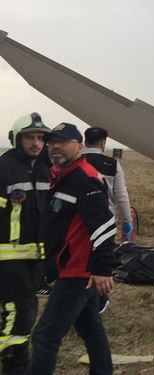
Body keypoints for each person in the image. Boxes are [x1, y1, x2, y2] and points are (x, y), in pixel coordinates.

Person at [27, 123, 116, 375]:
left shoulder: (84, 178)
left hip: (77, 271)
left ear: (79, 146)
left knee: (45, 337)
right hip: (71, 268)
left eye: (63, 141)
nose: (55, 146)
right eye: (52, 141)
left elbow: (105, 224)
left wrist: (102, 269)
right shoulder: (62, 175)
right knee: (91, 329)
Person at [0, 113, 50, 375]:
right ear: (16, 139)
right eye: (29, 137)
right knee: (17, 310)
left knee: (27, 307)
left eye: (41, 138)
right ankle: (15, 364)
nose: (35, 143)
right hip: (7, 255)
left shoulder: (46, 169)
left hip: (36, 255)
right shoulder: (4, 168)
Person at [81, 127, 133, 241]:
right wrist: (127, 220)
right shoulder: (112, 164)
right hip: (106, 222)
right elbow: (121, 195)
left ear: (85, 142)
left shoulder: (74, 162)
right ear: (103, 143)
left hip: (78, 221)